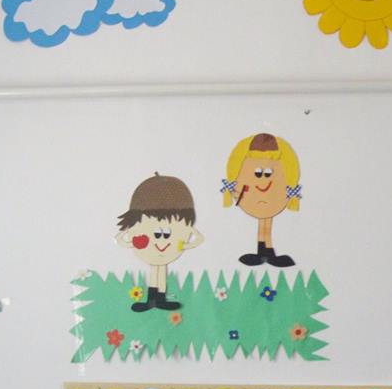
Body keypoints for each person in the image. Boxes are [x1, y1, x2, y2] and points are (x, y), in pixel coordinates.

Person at [116, 173, 204, 312]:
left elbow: (199, 238)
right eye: (157, 233)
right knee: (156, 270)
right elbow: (121, 239)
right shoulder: (139, 233)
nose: (161, 239)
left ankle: (160, 300)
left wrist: (184, 245)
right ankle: (152, 300)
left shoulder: (184, 230)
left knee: (160, 270)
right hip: (151, 249)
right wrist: (130, 235)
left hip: (169, 250)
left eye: (167, 234)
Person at [221, 133, 301, 267]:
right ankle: (264, 251)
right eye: (258, 173)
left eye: (268, 173)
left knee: (266, 219)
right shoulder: (244, 180)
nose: (264, 180)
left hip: (271, 197)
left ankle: (266, 252)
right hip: (257, 196)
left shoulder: (280, 185)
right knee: (264, 219)